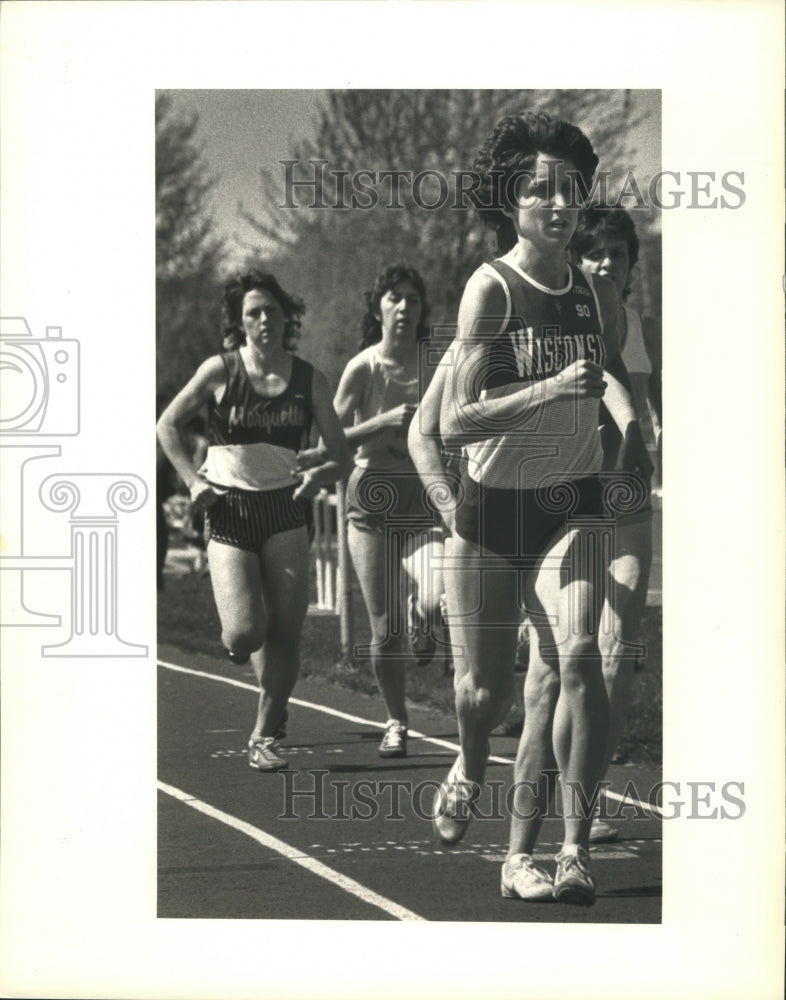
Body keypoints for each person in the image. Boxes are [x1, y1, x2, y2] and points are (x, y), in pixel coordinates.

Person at [436, 111, 652, 906]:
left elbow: (615, 378)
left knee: (581, 656)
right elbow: (457, 421)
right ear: (511, 201)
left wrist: (630, 430)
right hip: (492, 511)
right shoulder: (490, 290)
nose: (559, 204)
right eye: (540, 190)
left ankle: (565, 852)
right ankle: (466, 761)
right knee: (480, 695)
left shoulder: (600, 295)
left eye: (571, 189)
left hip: (573, 503)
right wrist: (549, 391)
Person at [156, 269, 350, 772]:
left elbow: (342, 455)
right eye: (253, 313)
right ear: (240, 324)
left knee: (287, 632)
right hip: (229, 509)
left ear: (287, 318)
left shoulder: (310, 379)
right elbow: (167, 425)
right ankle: (249, 648)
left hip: (284, 510)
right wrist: (193, 483)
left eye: (271, 311)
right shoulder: (220, 371)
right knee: (243, 635)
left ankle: (265, 732)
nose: (264, 320)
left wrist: (316, 474)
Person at [569, 205, 662, 841]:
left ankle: (591, 793)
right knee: (570, 653)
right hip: (568, 492)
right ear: (577, 258)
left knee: (619, 644)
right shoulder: (562, 319)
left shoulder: (643, 327)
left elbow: (660, 405)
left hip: (628, 492)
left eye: (619, 254)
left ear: (632, 264)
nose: (608, 263)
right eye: (596, 252)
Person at [331, 265, 448, 758]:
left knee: (436, 594)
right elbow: (328, 438)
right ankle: (396, 719)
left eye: (413, 301)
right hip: (371, 504)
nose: (403, 308)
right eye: (394, 299)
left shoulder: (435, 364)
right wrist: (381, 422)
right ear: (377, 306)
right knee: (384, 629)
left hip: (420, 503)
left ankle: (424, 621)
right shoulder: (363, 367)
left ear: (422, 312)